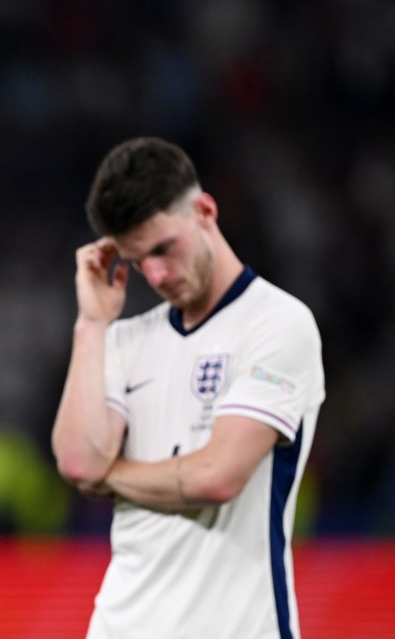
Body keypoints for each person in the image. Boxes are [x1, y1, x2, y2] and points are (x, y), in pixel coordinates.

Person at [51, 137, 324, 639]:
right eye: (137, 260)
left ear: (204, 210)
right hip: (118, 625)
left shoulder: (278, 323)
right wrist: (91, 324)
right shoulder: (125, 338)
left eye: (163, 249)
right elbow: (75, 461)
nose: (154, 274)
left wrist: (107, 476)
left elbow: (216, 478)